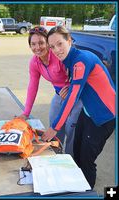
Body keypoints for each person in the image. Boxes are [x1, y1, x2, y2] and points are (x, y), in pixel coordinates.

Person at [42, 26, 116, 189]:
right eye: (52, 47)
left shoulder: (80, 60)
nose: (56, 50)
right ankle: (74, 185)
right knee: (75, 152)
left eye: (60, 44)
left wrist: (55, 127)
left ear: (70, 41)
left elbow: (72, 98)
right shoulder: (72, 60)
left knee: (86, 160)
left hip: (103, 118)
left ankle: (86, 190)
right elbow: (80, 85)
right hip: (88, 112)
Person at [18, 26, 83, 157]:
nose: (37, 47)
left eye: (41, 43)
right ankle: (57, 156)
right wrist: (26, 113)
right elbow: (33, 86)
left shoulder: (58, 55)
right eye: (33, 44)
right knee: (54, 127)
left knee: (71, 130)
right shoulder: (35, 62)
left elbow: (79, 72)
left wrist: (71, 86)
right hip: (59, 96)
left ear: (48, 43)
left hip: (77, 96)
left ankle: (71, 160)